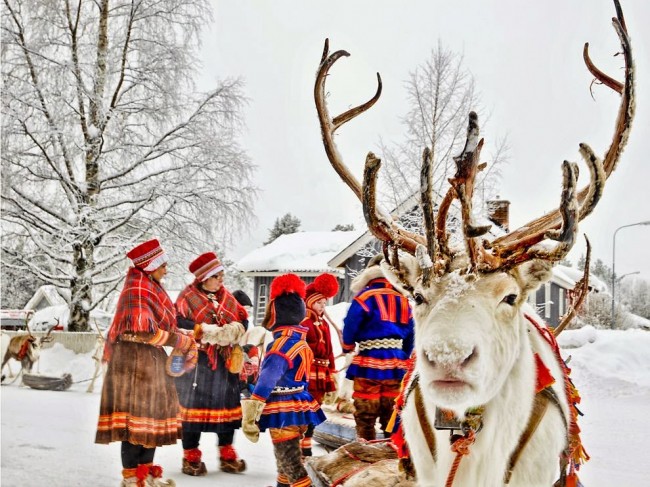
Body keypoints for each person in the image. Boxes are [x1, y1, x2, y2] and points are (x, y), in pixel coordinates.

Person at [96, 238, 197, 487]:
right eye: (163, 265)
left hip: (149, 362)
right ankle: (131, 479)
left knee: (151, 423)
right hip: (132, 364)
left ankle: (147, 475)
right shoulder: (137, 290)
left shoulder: (152, 288)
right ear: (150, 266)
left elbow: (159, 329)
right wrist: (179, 341)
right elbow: (141, 332)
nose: (166, 269)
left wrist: (181, 339)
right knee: (135, 424)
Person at [241, 273, 326, 487]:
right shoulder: (301, 343)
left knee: (291, 463)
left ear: (275, 316)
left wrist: (253, 408)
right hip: (300, 406)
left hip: (283, 410)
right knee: (285, 458)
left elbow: (268, 378)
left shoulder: (279, 346)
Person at [174, 252, 249, 476]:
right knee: (193, 410)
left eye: (222, 276)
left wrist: (234, 329)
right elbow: (177, 321)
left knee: (226, 409)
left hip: (224, 363)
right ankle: (191, 457)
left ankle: (227, 454)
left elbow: (243, 318)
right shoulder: (187, 297)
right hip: (198, 363)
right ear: (203, 278)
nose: (220, 280)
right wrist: (206, 331)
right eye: (216, 276)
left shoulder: (227, 297)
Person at [341, 254, 415, 441]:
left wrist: (348, 346)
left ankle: (366, 445)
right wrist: (403, 354)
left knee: (366, 408)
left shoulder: (364, 297)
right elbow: (412, 332)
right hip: (397, 363)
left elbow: (351, 324)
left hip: (369, 361)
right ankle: (392, 448)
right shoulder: (404, 299)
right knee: (392, 409)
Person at [300, 272, 339, 456]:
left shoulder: (324, 325)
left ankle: (307, 444)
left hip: (322, 373)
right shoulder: (304, 323)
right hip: (309, 372)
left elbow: (330, 350)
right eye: (318, 303)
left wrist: (332, 371)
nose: (322, 307)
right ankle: (302, 447)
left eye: (324, 303)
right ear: (309, 302)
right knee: (307, 409)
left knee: (316, 408)